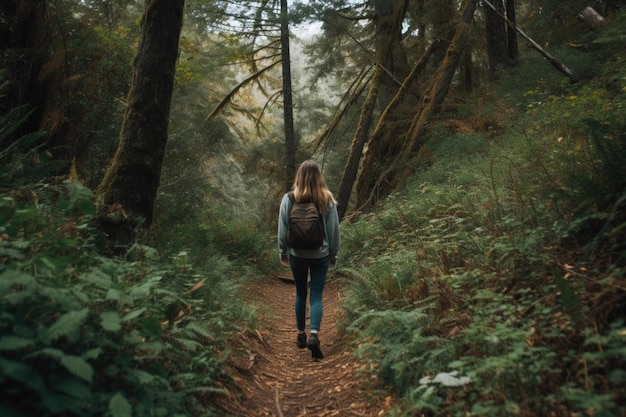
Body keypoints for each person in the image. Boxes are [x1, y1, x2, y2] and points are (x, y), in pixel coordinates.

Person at [277, 160, 340, 359]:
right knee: (316, 295)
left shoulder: (289, 198)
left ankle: (301, 334)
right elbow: (333, 231)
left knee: (300, 294)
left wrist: (283, 252)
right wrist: (332, 253)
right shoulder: (327, 199)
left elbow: (282, 228)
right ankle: (314, 334)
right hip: (320, 255)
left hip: (297, 255)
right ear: (318, 177)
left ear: (299, 177)